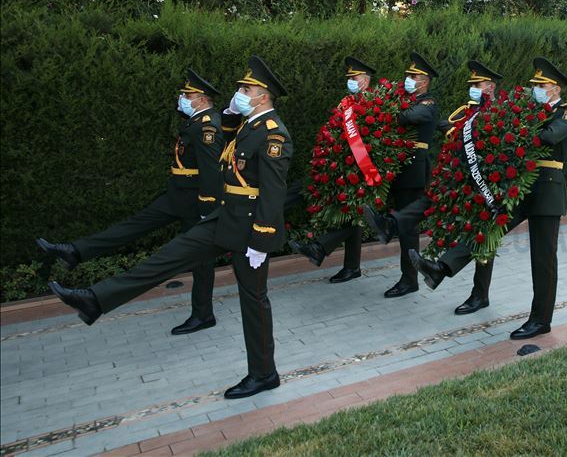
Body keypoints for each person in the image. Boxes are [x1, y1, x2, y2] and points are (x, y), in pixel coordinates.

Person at [48, 56, 293, 399]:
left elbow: (272, 191)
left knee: (254, 302)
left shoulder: (272, 134)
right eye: (240, 87)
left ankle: (264, 374)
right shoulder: (249, 125)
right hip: (224, 219)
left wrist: (261, 240)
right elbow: (222, 141)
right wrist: (233, 113)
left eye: (246, 89)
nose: (239, 92)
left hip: (250, 232)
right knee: (168, 256)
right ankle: (95, 300)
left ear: (263, 96)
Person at [37, 69, 224, 336]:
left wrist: (208, 209)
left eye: (187, 94)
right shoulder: (195, 122)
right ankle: (74, 251)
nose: (182, 98)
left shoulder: (207, 126)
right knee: (134, 225)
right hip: (178, 194)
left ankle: (203, 314)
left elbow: (211, 173)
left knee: (199, 260)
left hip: (194, 200)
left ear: (202, 99)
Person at [410, 57, 567, 340]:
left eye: (542, 86)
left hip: (547, 189)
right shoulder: (529, 111)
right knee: (485, 228)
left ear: (555, 88)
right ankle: (441, 268)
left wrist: (519, 129)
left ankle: (540, 320)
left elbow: (549, 137)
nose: (536, 90)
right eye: (534, 86)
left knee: (543, 258)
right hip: (520, 188)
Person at [364, 60, 502, 315]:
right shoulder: (466, 112)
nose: (472, 87)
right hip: (462, 177)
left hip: (485, 183)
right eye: (471, 84)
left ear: (491, 87)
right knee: (431, 198)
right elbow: (452, 130)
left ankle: (479, 294)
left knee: (483, 234)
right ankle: (392, 225)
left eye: (477, 84)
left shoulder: (499, 111)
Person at [290, 57, 376, 284]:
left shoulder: (372, 103)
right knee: (351, 217)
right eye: (348, 78)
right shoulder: (345, 102)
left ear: (365, 81)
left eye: (354, 78)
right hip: (339, 165)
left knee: (354, 216)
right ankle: (351, 267)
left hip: (358, 168)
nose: (349, 81)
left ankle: (322, 250)